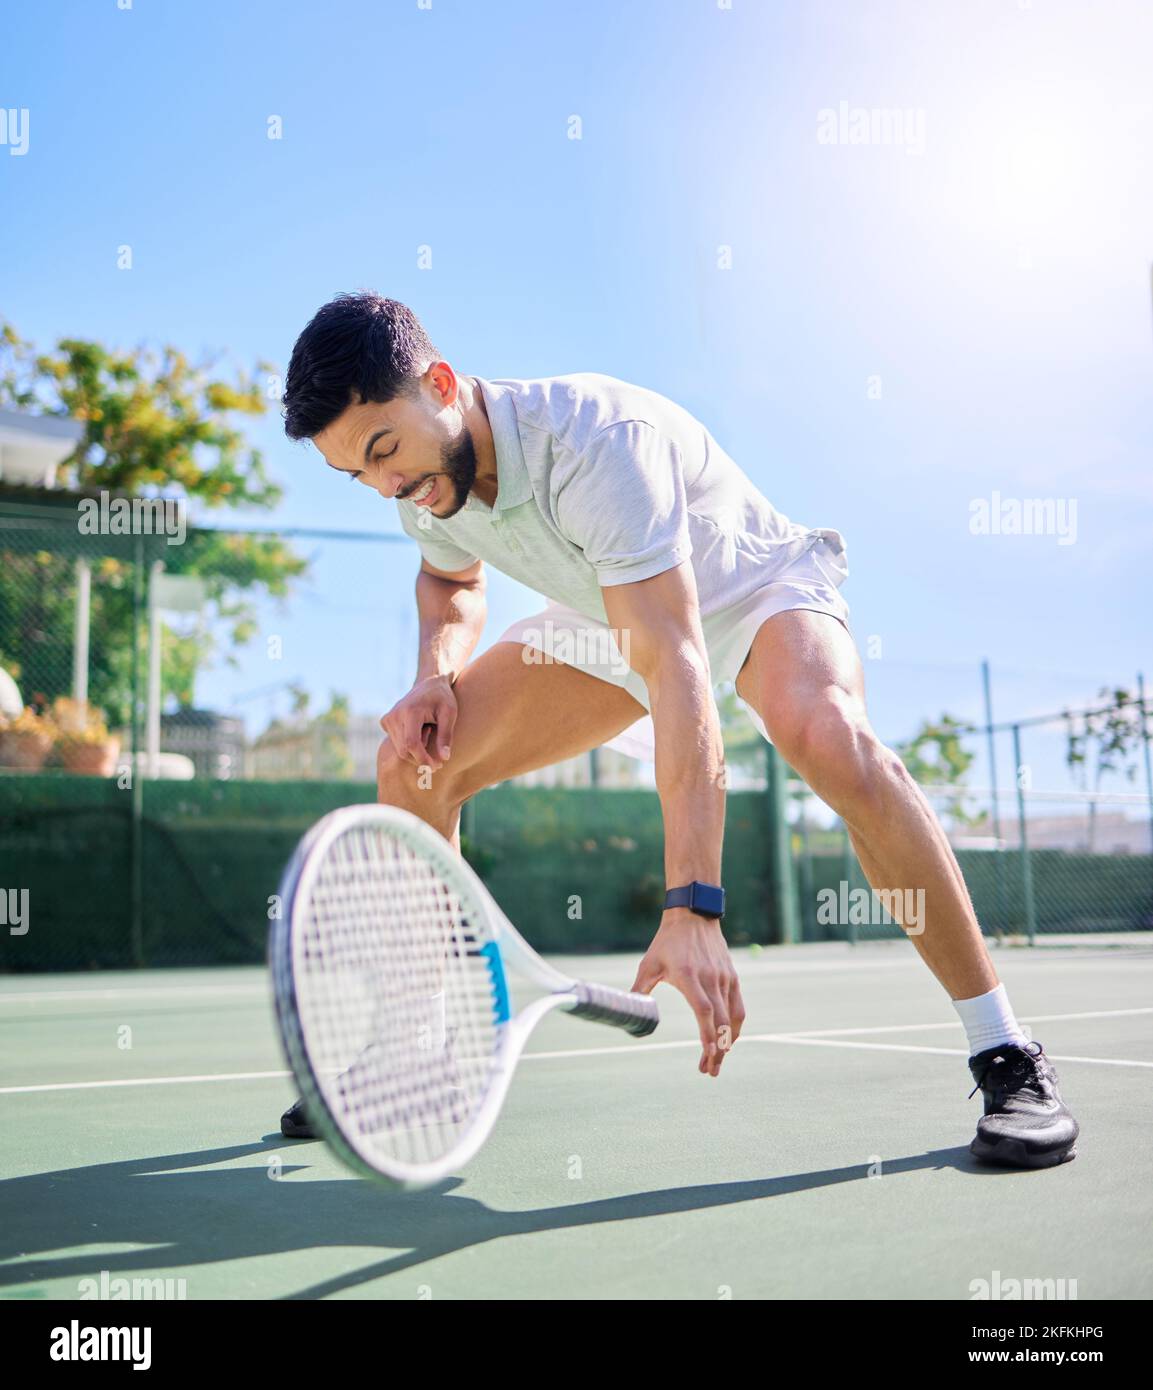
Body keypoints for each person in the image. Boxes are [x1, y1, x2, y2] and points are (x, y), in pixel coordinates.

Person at [277, 291, 1078, 1169]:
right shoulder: (421, 487)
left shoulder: (593, 442)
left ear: (439, 383)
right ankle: (415, 1049)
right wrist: (435, 673)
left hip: (750, 590)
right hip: (605, 610)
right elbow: (451, 583)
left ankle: (1007, 1054)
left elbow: (676, 664)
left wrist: (692, 904)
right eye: (358, 474)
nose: (388, 485)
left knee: (830, 741)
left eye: (386, 451)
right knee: (415, 766)